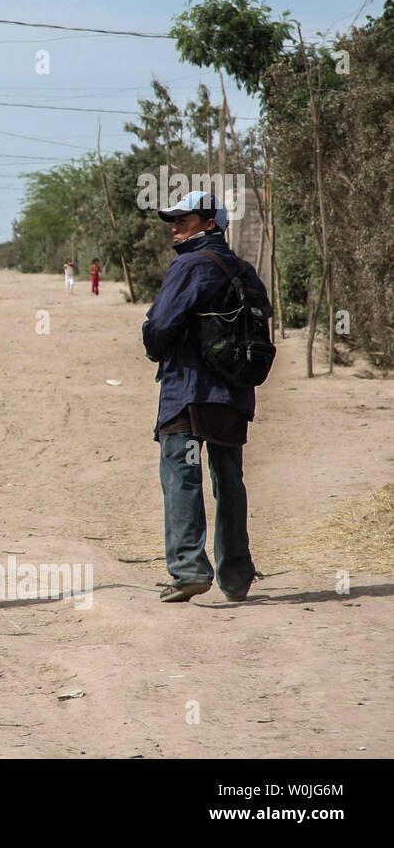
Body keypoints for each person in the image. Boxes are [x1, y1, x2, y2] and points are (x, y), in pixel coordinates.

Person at [141, 191, 268, 603]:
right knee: (229, 481)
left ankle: (189, 570)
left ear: (209, 223)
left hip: (188, 392)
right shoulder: (245, 270)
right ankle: (236, 577)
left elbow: (160, 324)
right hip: (234, 396)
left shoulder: (190, 265)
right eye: (173, 220)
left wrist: (154, 346)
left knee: (182, 476)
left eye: (184, 219)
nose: (175, 227)